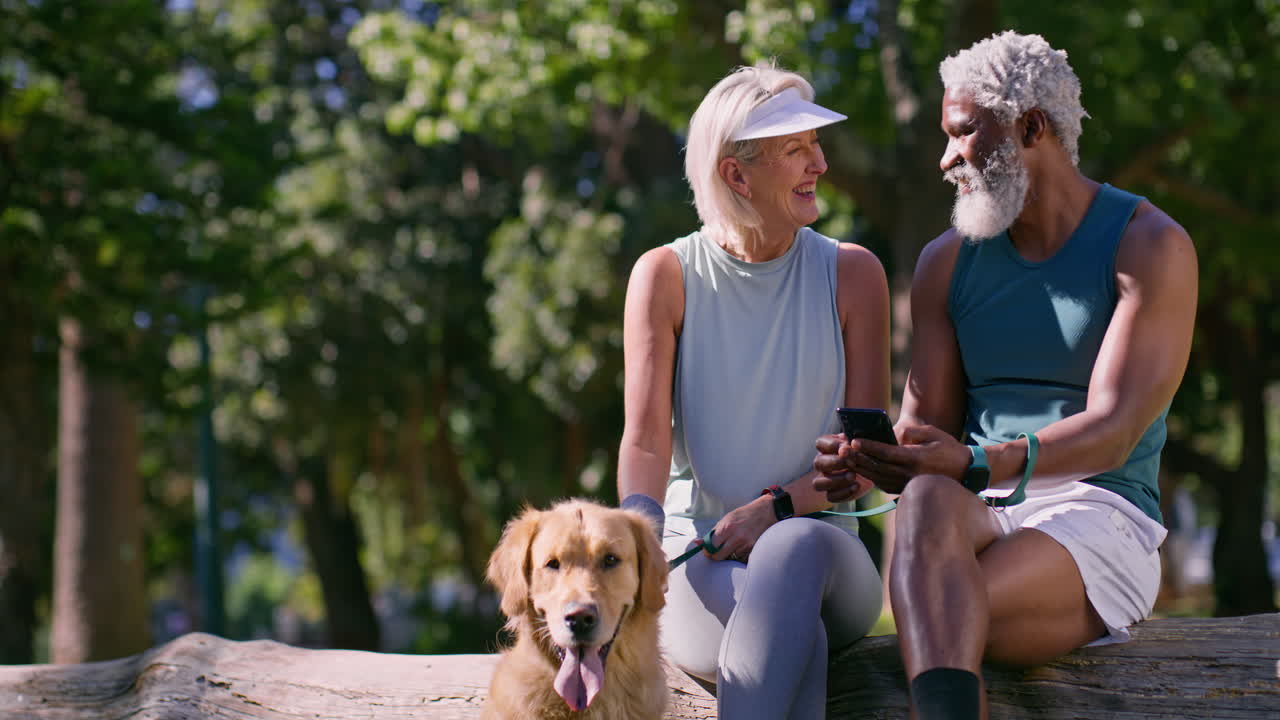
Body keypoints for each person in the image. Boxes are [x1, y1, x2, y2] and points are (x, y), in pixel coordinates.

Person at [814, 31, 1198, 720]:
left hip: (1099, 511)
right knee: (928, 513)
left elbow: (1112, 433)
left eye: (963, 134)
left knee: (941, 610)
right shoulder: (945, 263)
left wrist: (966, 462)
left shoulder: (1148, 245)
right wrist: (879, 458)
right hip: (975, 506)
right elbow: (926, 429)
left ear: (1031, 127)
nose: (945, 159)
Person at [616, 62, 889, 719]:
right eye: (796, 150)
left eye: (816, 146)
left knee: (793, 552)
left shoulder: (854, 275)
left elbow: (868, 457)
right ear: (736, 174)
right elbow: (646, 440)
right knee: (798, 640)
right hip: (700, 560)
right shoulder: (665, 276)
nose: (819, 163)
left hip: (829, 558)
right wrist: (636, 559)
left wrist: (777, 508)